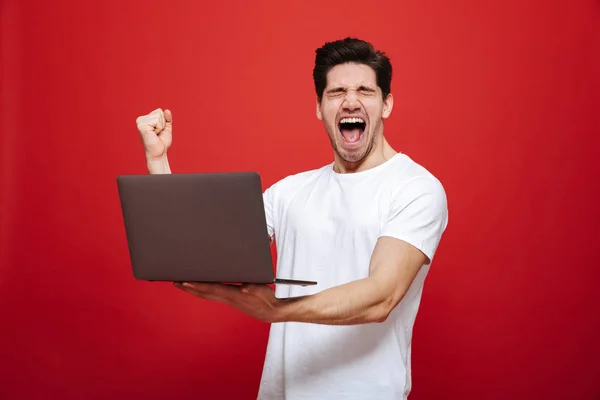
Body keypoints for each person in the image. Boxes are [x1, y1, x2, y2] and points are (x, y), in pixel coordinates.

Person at [135, 37, 448, 400]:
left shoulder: (415, 188)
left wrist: (277, 310)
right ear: (319, 107)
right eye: (336, 92)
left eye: (365, 90)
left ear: (386, 103)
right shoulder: (289, 192)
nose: (350, 101)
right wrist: (158, 161)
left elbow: (381, 295)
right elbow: (195, 255)